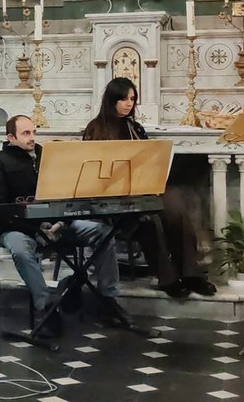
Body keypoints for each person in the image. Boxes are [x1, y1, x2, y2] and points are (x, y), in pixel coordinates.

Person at [0, 115, 121, 336]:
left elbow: (66, 194)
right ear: (10, 137)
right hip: (18, 229)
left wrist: (61, 223)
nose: (32, 138)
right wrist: (36, 229)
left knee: (103, 233)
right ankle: (46, 307)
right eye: (26, 133)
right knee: (20, 249)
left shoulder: (46, 156)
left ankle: (107, 299)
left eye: (34, 132)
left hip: (56, 225)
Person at [83, 77, 217, 298]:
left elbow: (148, 158)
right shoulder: (96, 129)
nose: (129, 103)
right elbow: (92, 171)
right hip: (114, 197)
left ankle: (192, 275)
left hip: (142, 189)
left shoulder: (134, 127)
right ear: (112, 100)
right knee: (149, 220)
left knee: (176, 210)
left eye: (132, 99)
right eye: (124, 99)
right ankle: (168, 279)